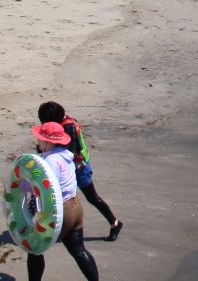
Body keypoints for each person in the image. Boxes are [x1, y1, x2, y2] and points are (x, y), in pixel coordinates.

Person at [25, 122, 100, 281]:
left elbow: (48, 189)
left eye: (40, 138)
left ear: (48, 141)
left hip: (61, 210)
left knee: (35, 248)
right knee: (79, 251)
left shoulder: (50, 160)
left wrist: (31, 195)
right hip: (75, 207)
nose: (37, 141)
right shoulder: (66, 155)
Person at [37, 101, 121, 241]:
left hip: (79, 168)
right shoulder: (63, 123)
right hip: (68, 168)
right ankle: (57, 228)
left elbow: (72, 150)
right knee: (59, 198)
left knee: (92, 197)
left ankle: (115, 223)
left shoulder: (68, 127)